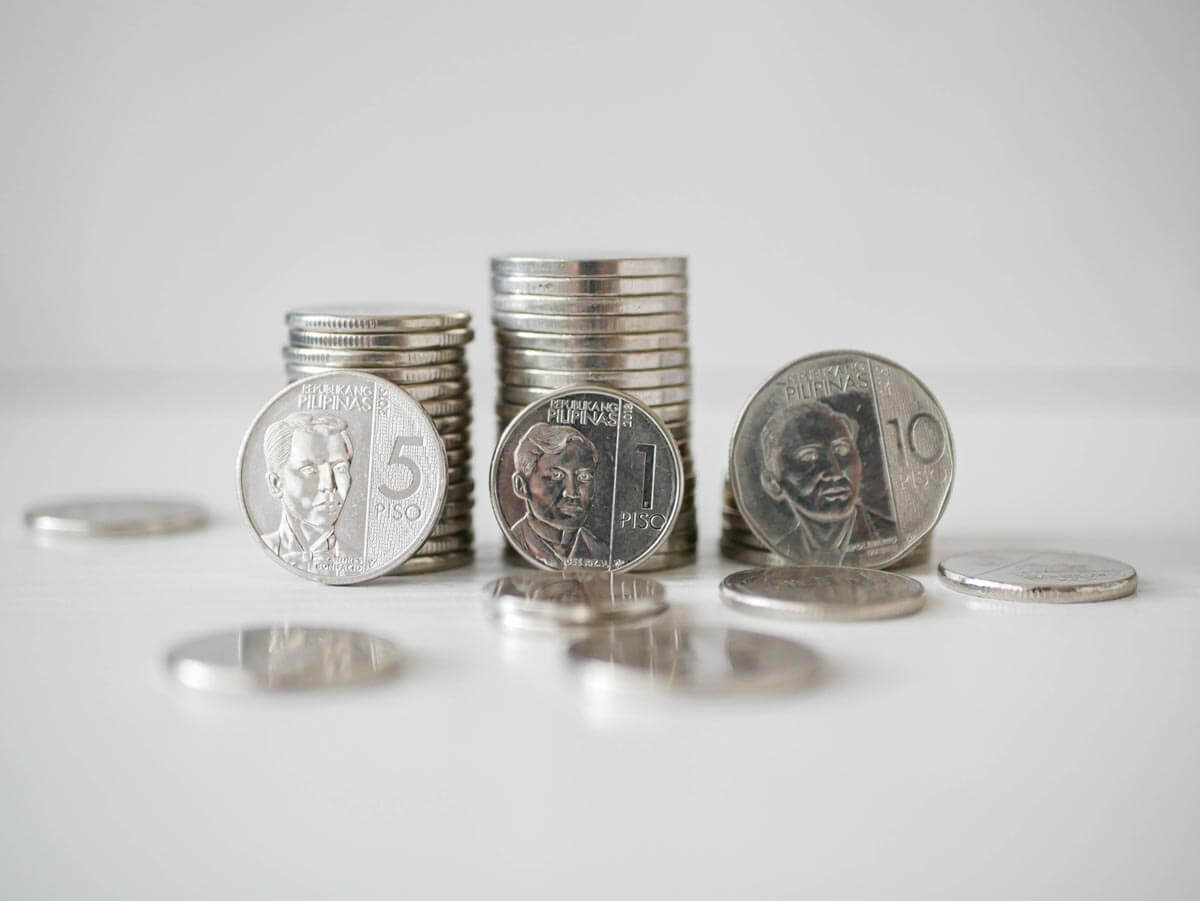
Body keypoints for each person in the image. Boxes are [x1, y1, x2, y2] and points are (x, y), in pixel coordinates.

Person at [759, 400, 894, 563]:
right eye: (809, 457)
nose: (836, 472)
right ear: (772, 483)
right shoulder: (783, 548)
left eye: (842, 450)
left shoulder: (890, 535)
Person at [260, 412, 358, 571]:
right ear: (276, 484)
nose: (329, 485)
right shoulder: (265, 548)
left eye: (340, 468)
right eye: (310, 470)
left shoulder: (358, 559)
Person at [509, 422, 608, 568]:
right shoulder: (514, 544)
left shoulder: (601, 551)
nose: (572, 493)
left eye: (584, 477)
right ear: (521, 486)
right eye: (556, 476)